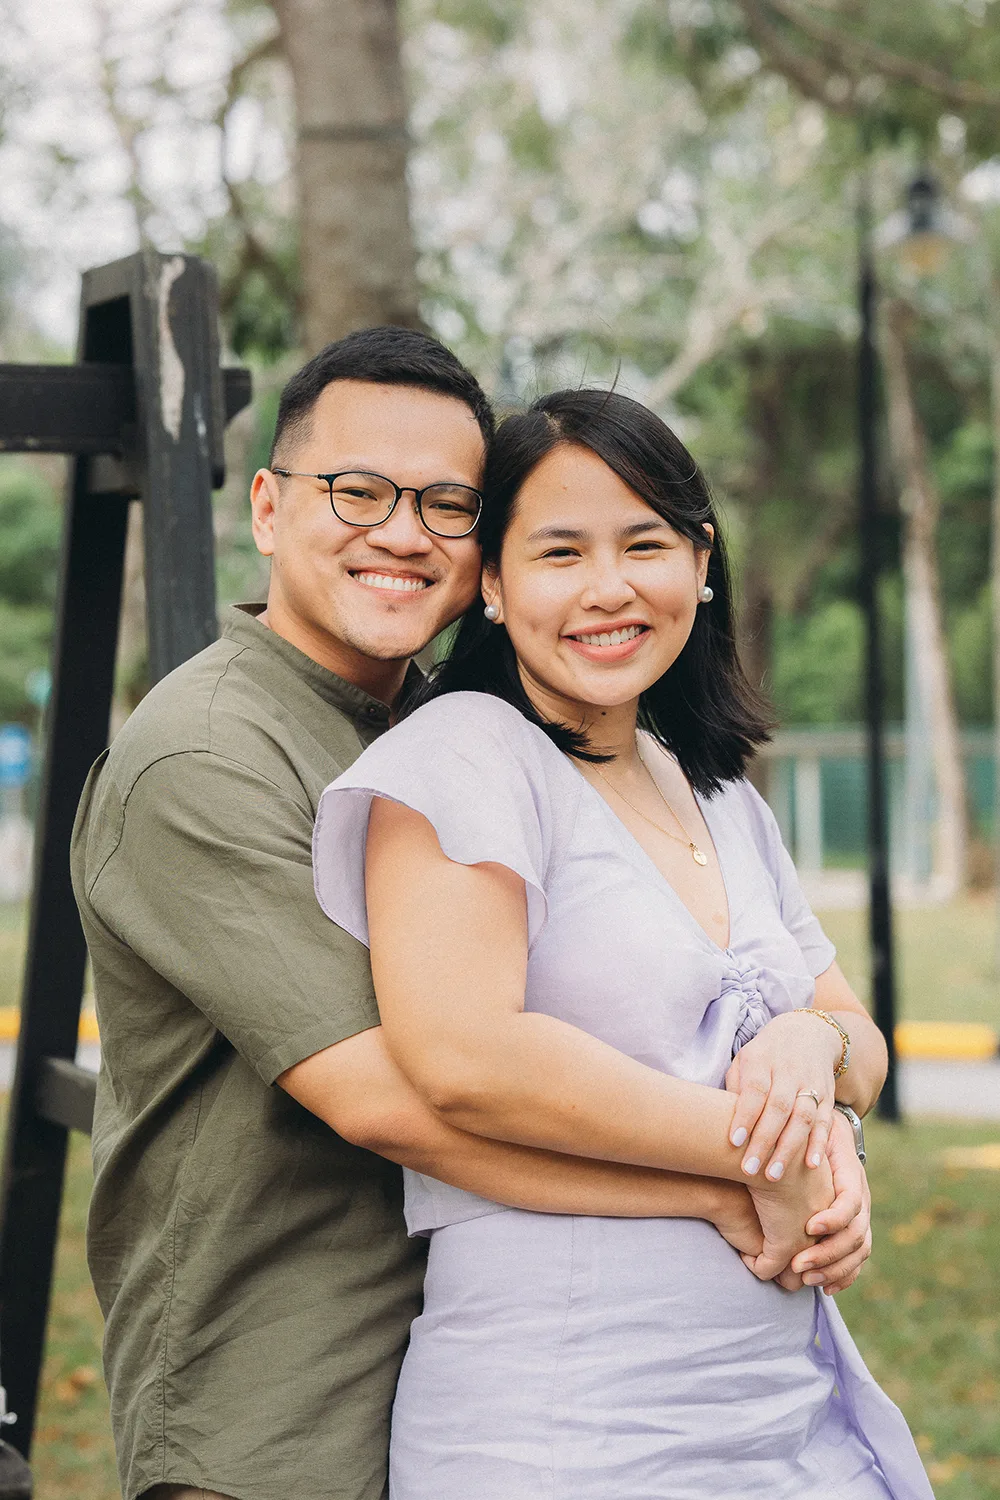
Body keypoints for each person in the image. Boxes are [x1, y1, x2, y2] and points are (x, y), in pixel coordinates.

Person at [72, 333, 870, 1500]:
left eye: (447, 503)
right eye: (357, 491)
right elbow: (404, 1094)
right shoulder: (207, 756)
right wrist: (740, 1181)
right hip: (277, 1394)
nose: (403, 533)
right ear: (266, 507)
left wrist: (816, 1071)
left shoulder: (454, 724)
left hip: (463, 1351)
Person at [312, 388, 933, 1500]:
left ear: (700, 562)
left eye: (644, 542)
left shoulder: (716, 788)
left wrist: (814, 1060)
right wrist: (771, 1156)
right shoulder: (464, 755)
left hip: (778, 1413)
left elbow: (855, 1036)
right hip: (565, 1424)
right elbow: (465, 1057)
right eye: (559, 553)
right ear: (494, 586)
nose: (608, 589)